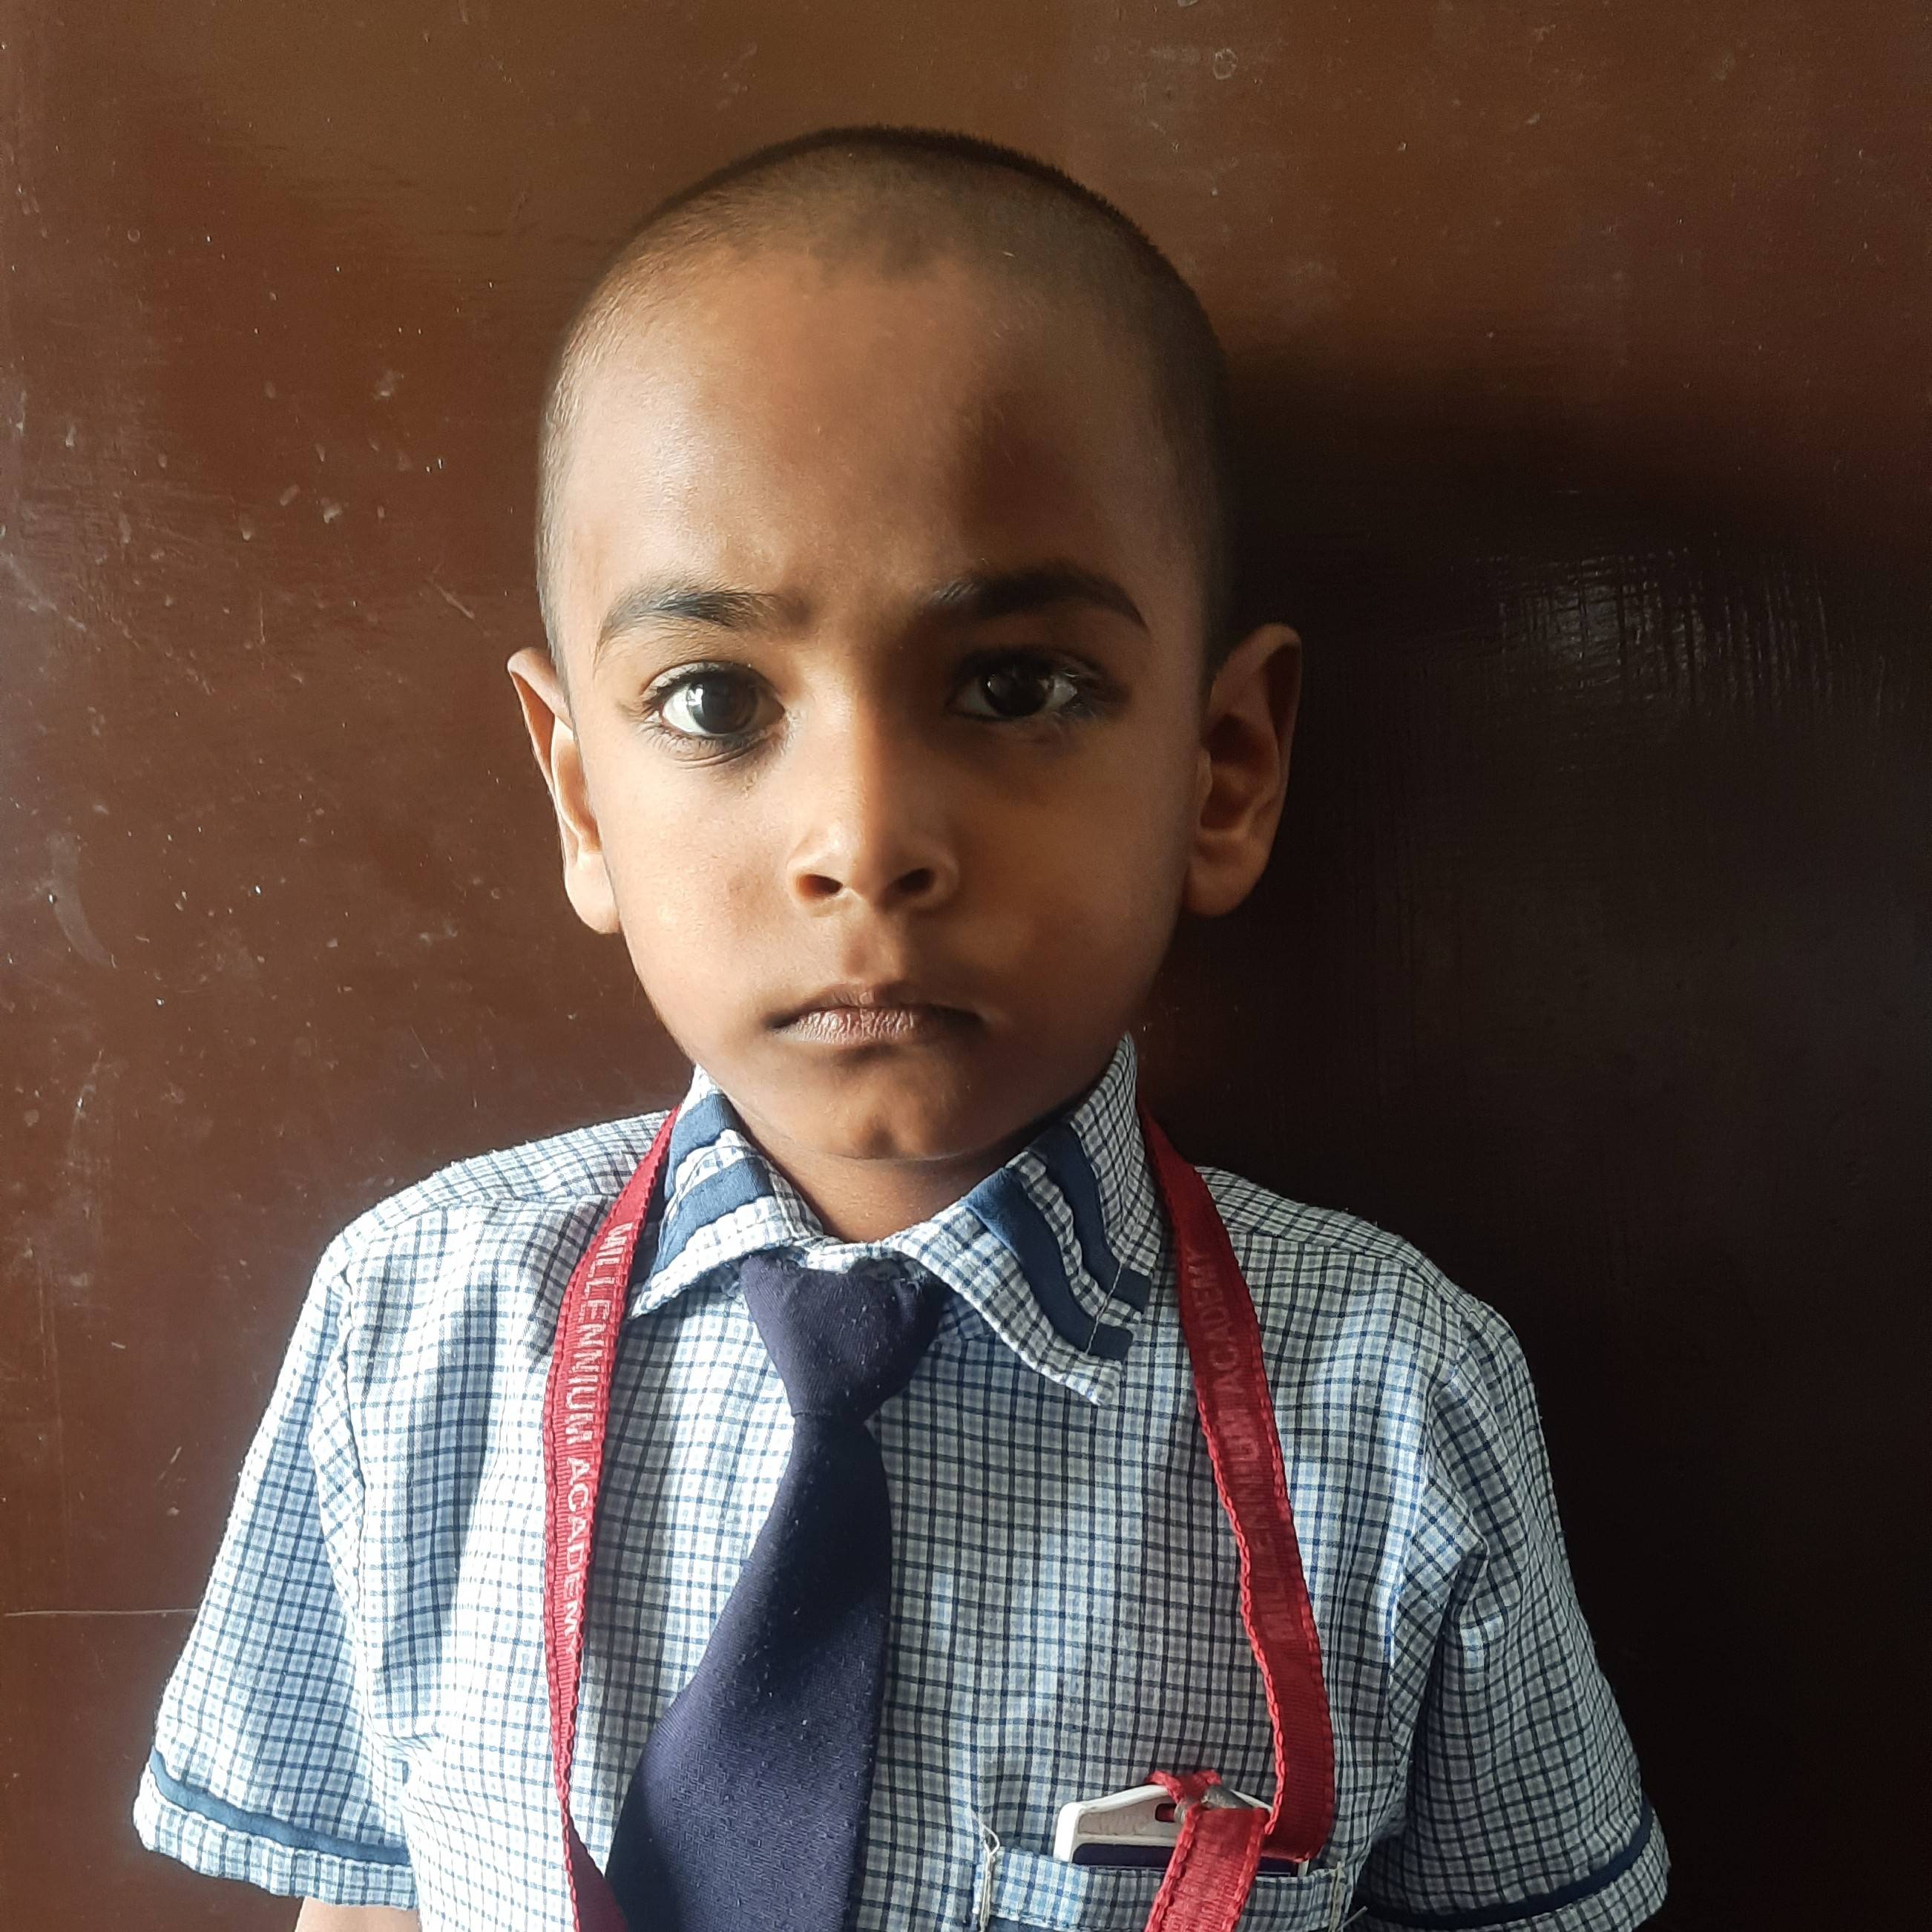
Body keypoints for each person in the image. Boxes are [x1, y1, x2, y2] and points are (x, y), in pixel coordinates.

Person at [132, 128, 1667, 1932]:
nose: (863, 839)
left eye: (1015, 685)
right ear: (581, 798)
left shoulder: (1396, 1398)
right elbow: (365, 1903)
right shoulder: (417, 1326)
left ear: (1224, 770)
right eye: (715, 700)